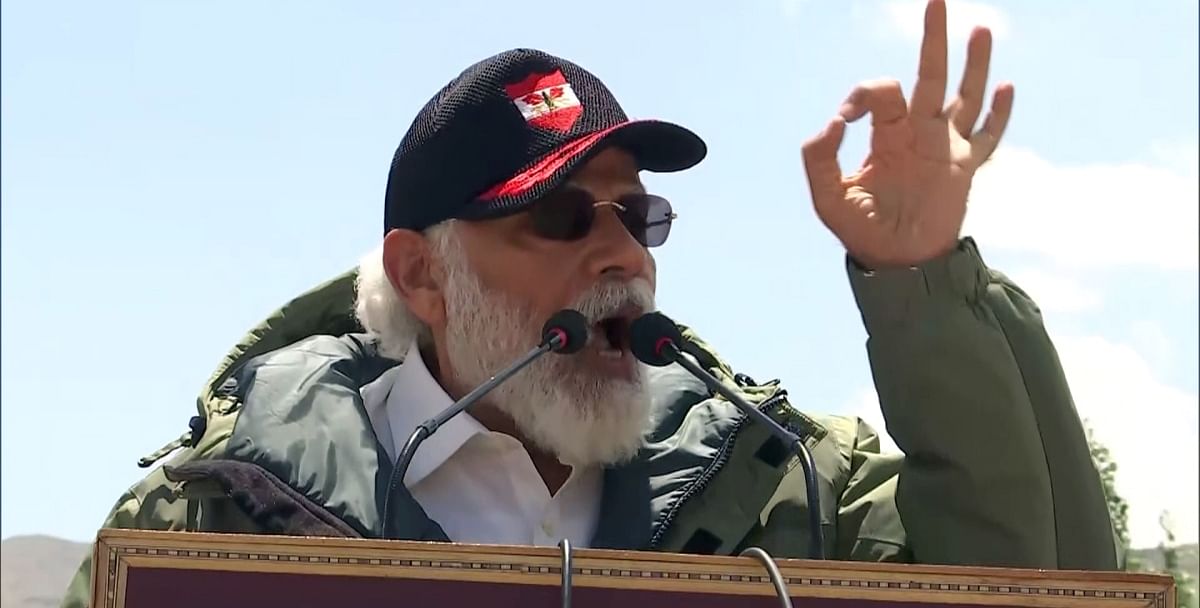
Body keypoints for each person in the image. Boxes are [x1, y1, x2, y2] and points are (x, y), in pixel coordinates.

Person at [62, 1, 1118, 605]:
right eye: (562, 218)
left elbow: (1029, 582)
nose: (619, 251)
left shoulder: (792, 487)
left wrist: (922, 281)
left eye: (638, 217)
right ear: (424, 274)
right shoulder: (211, 514)